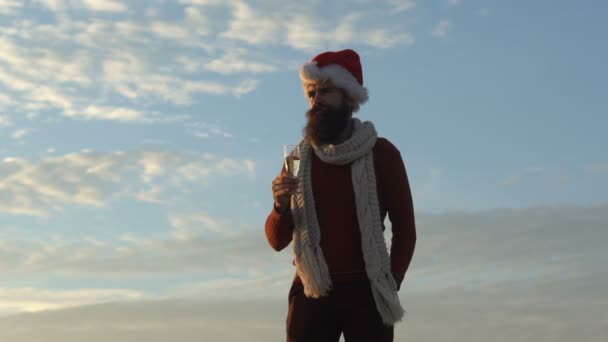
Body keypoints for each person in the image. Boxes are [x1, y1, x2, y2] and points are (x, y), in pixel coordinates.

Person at [264, 48, 417, 342]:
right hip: (312, 291)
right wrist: (280, 207)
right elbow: (276, 240)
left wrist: (390, 282)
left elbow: (406, 230)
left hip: (368, 294)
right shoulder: (296, 159)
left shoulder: (382, 153)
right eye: (311, 93)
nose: (316, 100)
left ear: (348, 97)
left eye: (326, 91)